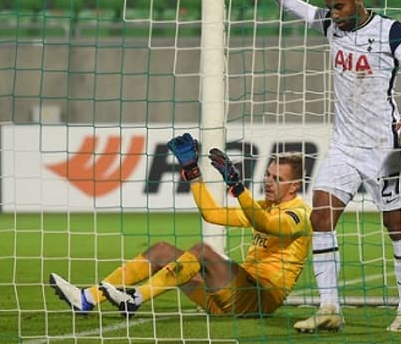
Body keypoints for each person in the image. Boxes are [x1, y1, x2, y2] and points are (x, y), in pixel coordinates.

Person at [244, 0, 401, 333]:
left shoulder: (390, 31)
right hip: (346, 146)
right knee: (321, 216)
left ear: (358, 1)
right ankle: (329, 306)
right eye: (330, 8)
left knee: (397, 224)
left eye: (340, 7)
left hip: (388, 148)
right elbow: (290, 3)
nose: (334, 14)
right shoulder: (331, 25)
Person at [50, 132, 311, 318]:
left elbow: (264, 224)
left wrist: (237, 187)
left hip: (259, 300)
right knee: (161, 251)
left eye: (277, 178)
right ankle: (87, 299)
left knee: (202, 251)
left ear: (295, 186)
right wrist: (192, 173)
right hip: (225, 299)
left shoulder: (299, 215)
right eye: (267, 174)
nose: (268, 181)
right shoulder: (265, 206)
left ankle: (135, 298)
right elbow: (212, 214)